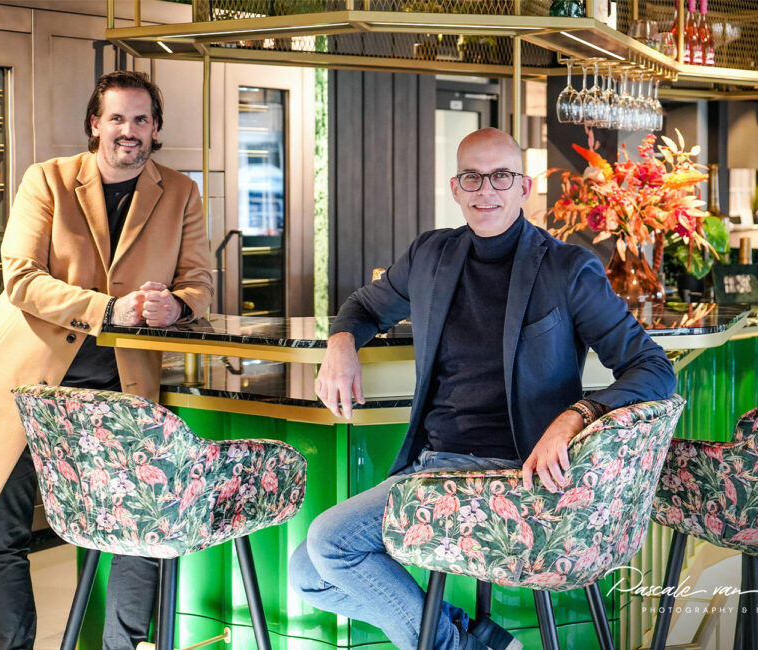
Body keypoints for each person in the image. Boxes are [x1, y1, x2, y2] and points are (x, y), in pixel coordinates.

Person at [289, 128, 676, 650]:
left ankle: (458, 645)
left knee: (330, 543)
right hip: (434, 467)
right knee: (307, 574)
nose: (486, 189)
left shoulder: (567, 268)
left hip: (515, 474)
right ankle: (471, 636)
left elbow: (653, 367)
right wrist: (340, 344)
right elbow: (365, 306)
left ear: (524, 187)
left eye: (501, 177)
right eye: (472, 177)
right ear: (455, 187)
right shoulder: (431, 254)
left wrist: (576, 416)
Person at [0, 71, 213, 650]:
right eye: (117, 118)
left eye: (141, 119)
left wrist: (176, 305)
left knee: (140, 528)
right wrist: (109, 309)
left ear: (155, 128)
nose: (129, 130)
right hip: (24, 386)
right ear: (95, 123)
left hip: (116, 391)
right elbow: (21, 278)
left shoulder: (181, 192)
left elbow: (200, 283)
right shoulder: (48, 179)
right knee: (5, 538)